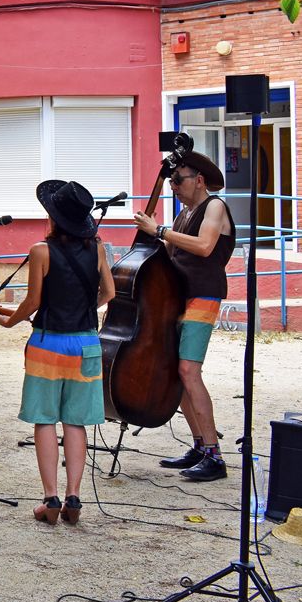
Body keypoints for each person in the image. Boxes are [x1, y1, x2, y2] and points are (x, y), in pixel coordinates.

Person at [0, 180, 116, 524]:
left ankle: (51, 499)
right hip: (86, 343)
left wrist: (7, 321)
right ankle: (74, 496)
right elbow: (109, 293)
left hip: (48, 343)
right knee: (76, 422)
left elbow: (32, 301)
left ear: (54, 216)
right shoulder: (98, 249)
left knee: (45, 420)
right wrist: (82, 309)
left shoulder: (40, 251)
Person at [133, 150, 237, 483]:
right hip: (179, 297)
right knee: (180, 375)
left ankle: (214, 455)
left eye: (178, 180)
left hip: (203, 295)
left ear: (199, 180)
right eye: (171, 180)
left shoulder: (215, 206)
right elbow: (170, 254)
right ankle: (198, 447)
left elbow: (205, 247)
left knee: (189, 371)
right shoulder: (184, 214)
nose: (173, 186)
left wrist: (159, 230)